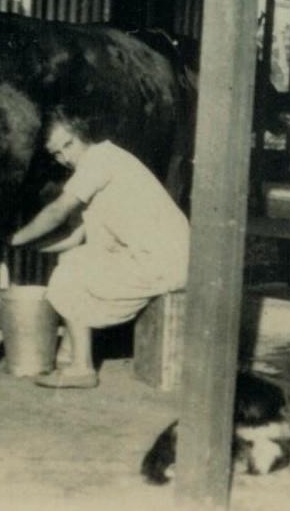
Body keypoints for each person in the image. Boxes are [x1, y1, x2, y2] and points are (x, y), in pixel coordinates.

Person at [10, 109, 190, 389]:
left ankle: (82, 368)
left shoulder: (100, 159)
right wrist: (28, 246)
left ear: (83, 135)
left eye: (67, 144)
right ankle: (70, 355)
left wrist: (14, 238)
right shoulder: (97, 169)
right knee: (74, 259)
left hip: (166, 261)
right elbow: (74, 237)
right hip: (157, 259)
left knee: (71, 272)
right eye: (56, 153)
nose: (64, 157)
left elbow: (57, 212)